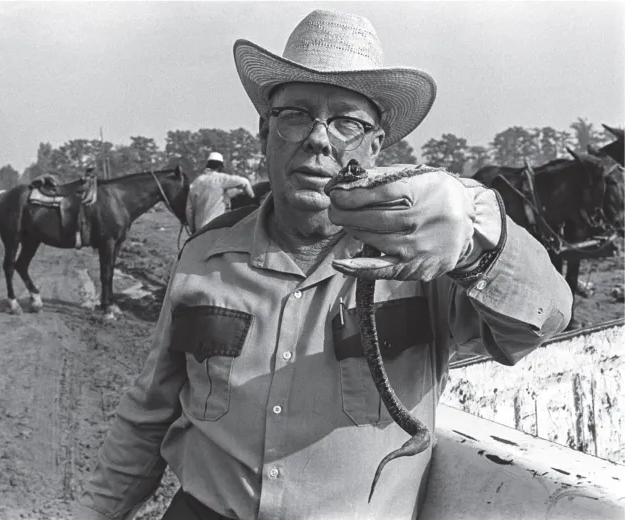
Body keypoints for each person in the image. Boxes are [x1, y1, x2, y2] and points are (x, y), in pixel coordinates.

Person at [78, 9, 572, 520]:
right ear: (264, 132)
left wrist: (480, 234)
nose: (318, 139)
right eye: (295, 115)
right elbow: (146, 414)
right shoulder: (204, 257)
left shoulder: (424, 263)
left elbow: (544, 320)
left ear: (376, 146)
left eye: (346, 122)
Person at [185, 151, 256, 232]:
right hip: (216, 229)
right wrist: (252, 196)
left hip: (200, 230)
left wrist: (192, 230)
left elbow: (189, 210)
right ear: (220, 167)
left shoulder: (195, 183)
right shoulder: (220, 179)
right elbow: (245, 182)